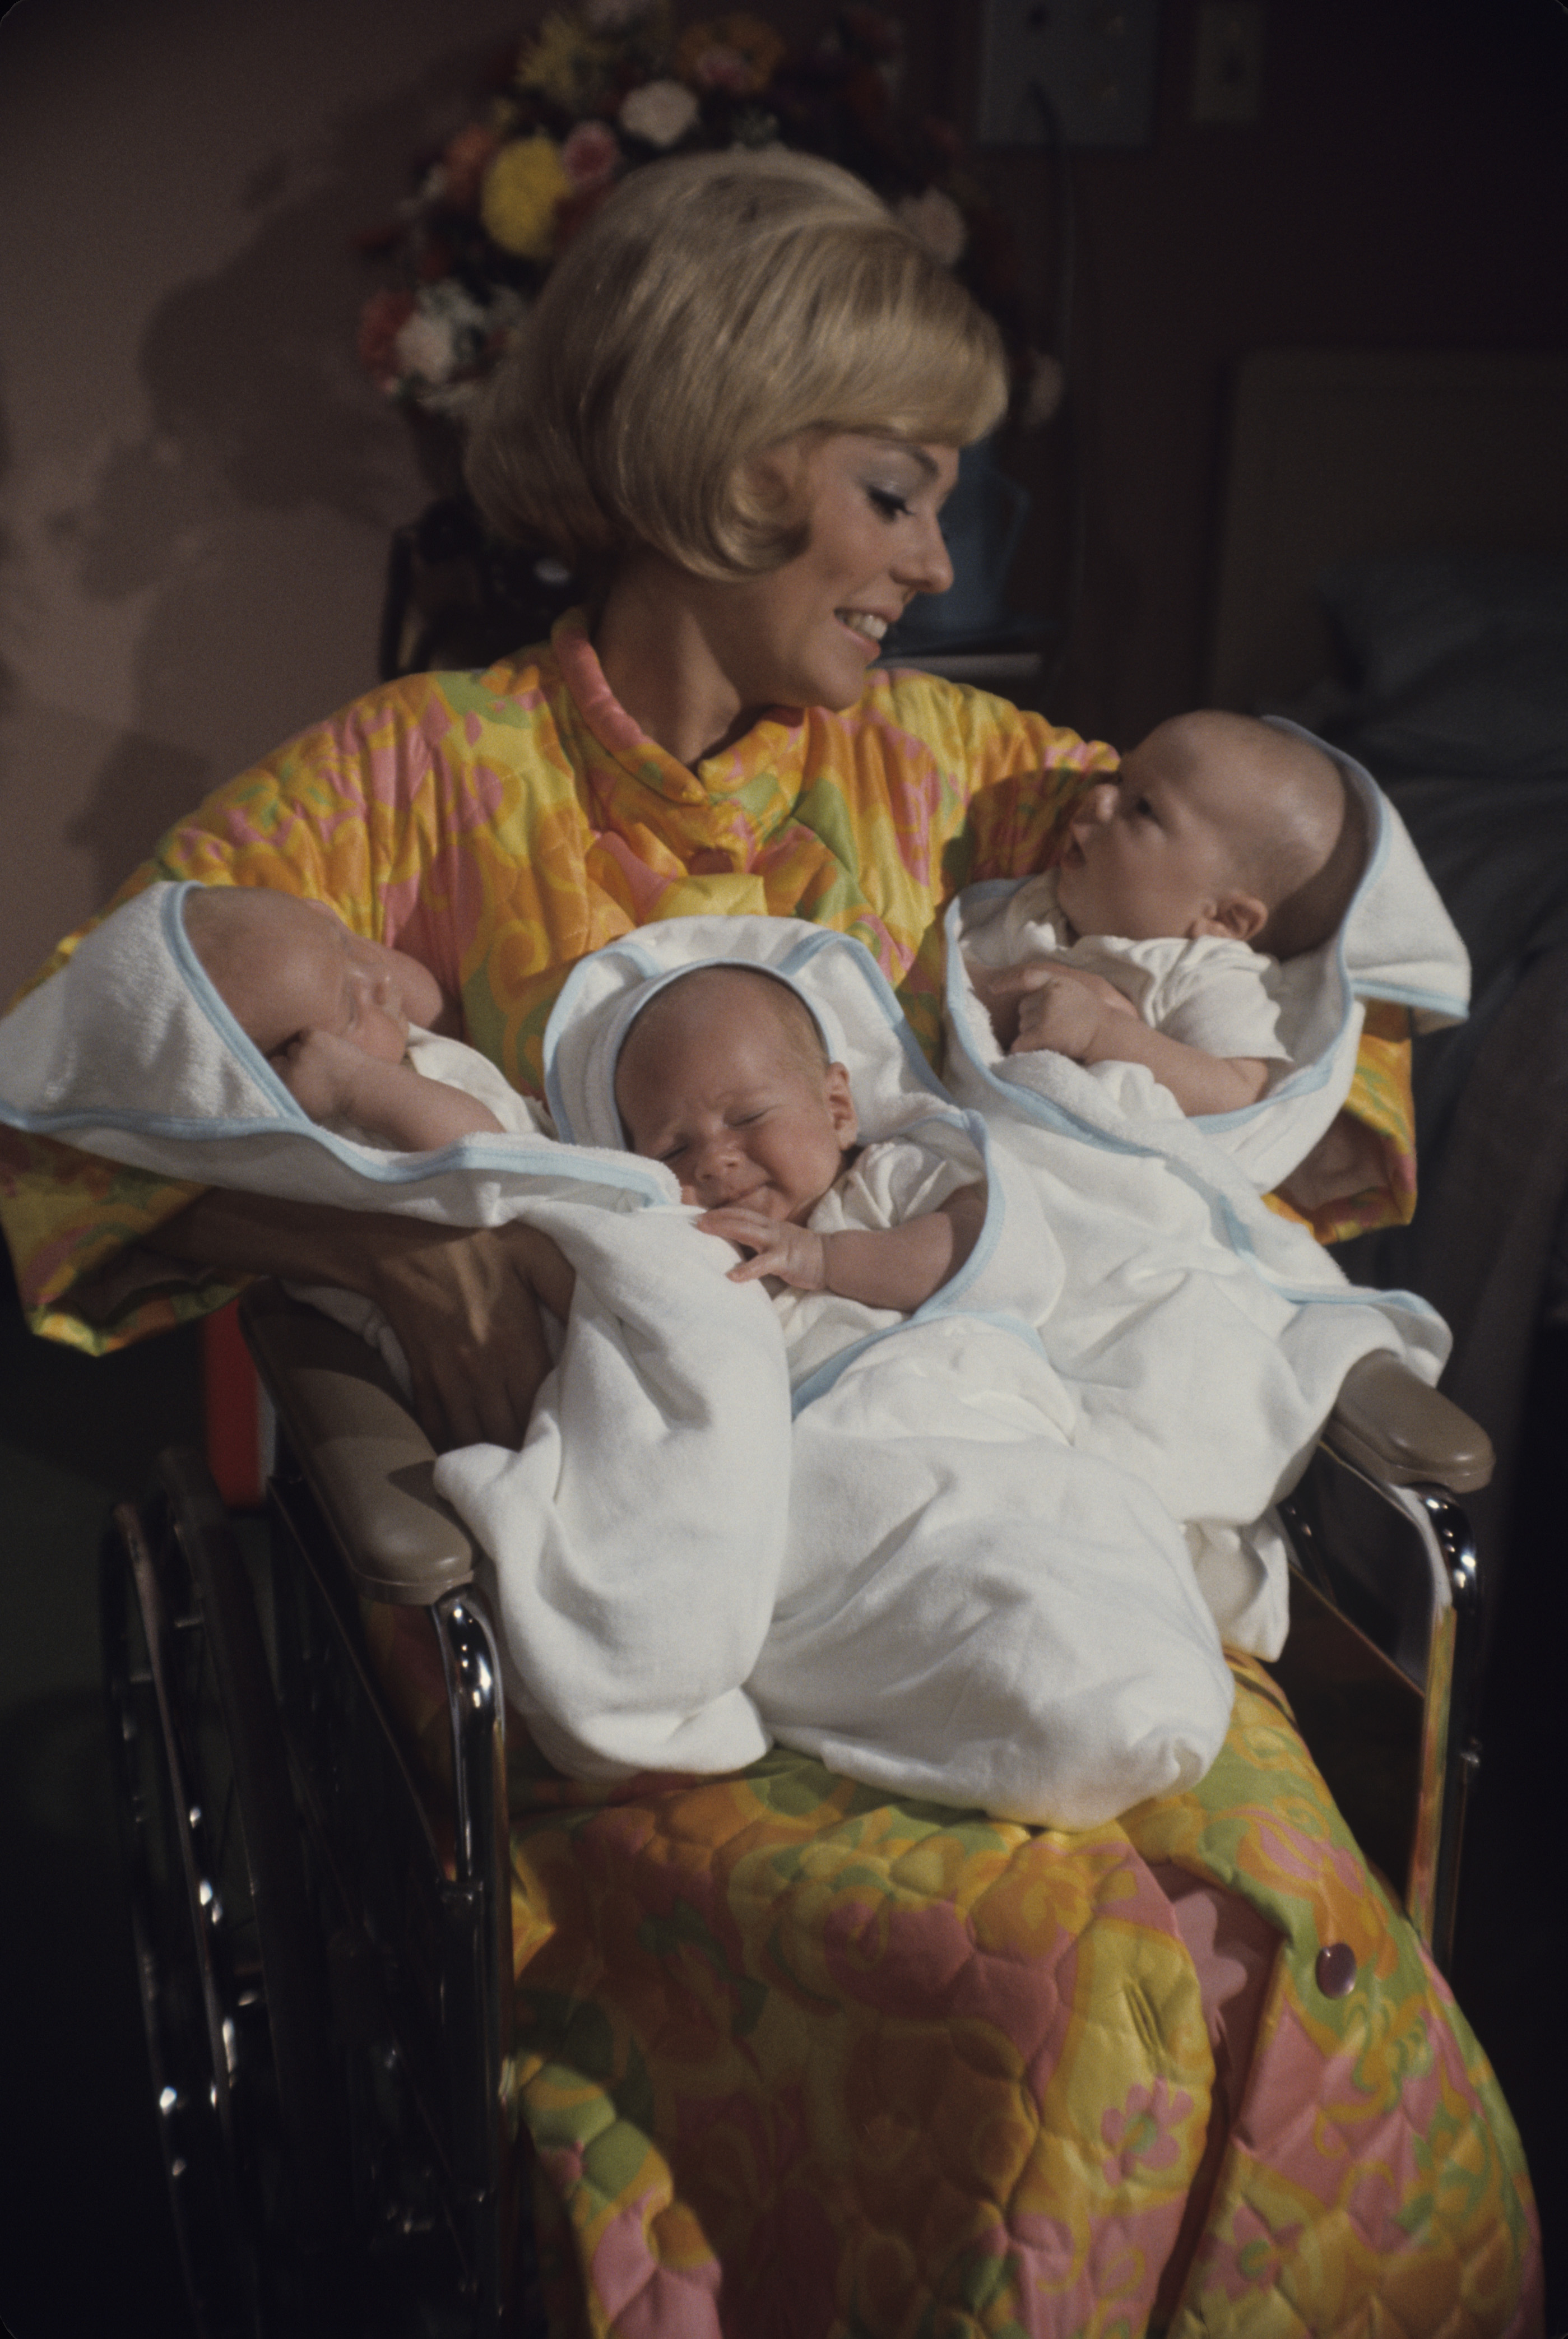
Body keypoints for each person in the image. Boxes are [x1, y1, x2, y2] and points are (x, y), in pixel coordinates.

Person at [0, 148, 1412, 1455]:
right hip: (600, 1492)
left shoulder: (985, 782)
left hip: (969, 1451)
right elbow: (61, 1105)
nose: (932, 566)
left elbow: (1332, 984)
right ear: (724, 462)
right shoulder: (416, 774)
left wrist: (1137, 1069)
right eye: (892, 496)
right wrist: (391, 1249)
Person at [966, 711, 1361, 1116]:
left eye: (1143, 809)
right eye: (1119, 778)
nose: (1099, 798)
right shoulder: (1042, 902)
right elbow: (945, 980)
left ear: (1226, 919)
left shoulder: (1204, 973)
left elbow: (1239, 1091)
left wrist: (1104, 1032)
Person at [614, 963, 985, 1310]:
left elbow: (980, 1251)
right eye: (673, 1152)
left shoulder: (886, 1178)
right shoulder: (696, 1267)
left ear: (836, 1110)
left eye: (748, 1117)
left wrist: (824, 1259)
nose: (713, 1161)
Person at [182, 884, 539, 1148]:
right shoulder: (358, 1129)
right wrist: (355, 1085)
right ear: (293, 1072)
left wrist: (344, 939)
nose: (380, 978)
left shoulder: (377, 1035)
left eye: (348, 952)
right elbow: (490, 1156)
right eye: (352, 1007)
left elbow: (442, 1013)